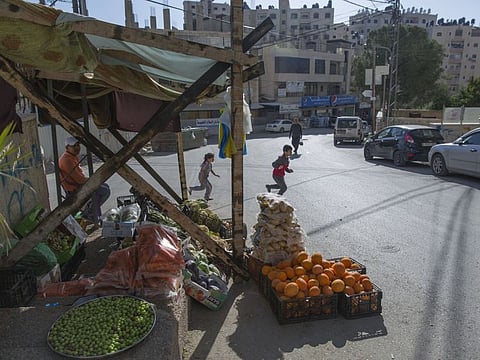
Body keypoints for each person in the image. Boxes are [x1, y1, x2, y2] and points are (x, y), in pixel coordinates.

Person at [59, 136, 111, 223]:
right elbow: (79, 180)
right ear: (67, 147)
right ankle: (89, 213)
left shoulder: (71, 156)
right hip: (75, 189)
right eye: (73, 146)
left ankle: (91, 211)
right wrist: (93, 180)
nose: (77, 148)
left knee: (104, 186)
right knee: (104, 190)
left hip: (77, 185)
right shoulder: (67, 160)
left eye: (78, 145)